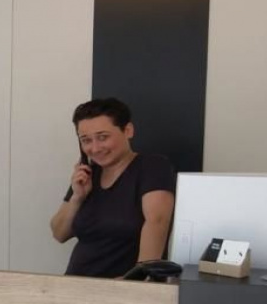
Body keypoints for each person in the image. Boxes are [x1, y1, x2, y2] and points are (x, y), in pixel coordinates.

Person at [49, 98, 176, 278]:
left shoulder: (152, 166)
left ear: (128, 130)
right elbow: (59, 234)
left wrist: (139, 279)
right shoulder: (87, 174)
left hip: (122, 287)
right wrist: (77, 198)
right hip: (75, 285)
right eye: (86, 140)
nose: (95, 148)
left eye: (103, 137)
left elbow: (157, 221)